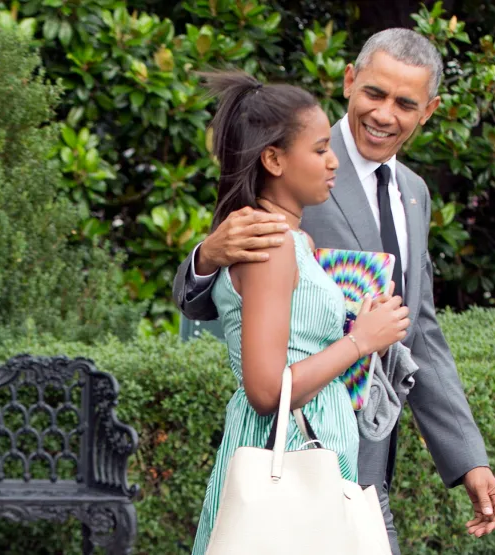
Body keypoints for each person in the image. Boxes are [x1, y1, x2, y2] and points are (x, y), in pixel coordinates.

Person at [174, 29, 495, 553]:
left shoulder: (414, 194)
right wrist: (205, 257)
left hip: (364, 449)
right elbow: (221, 298)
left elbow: (418, 333)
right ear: (350, 80)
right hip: (297, 449)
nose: (384, 114)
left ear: (429, 110)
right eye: (375, 93)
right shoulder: (293, 166)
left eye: (405, 103)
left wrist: (469, 459)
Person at [187, 72, 411, 554]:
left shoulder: (298, 242)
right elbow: (267, 389)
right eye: (319, 150)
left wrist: (358, 324)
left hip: (311, 450)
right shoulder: (271, 245)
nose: (333, 162)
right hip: (286, 452)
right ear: (273, 159)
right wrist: (360, 341)